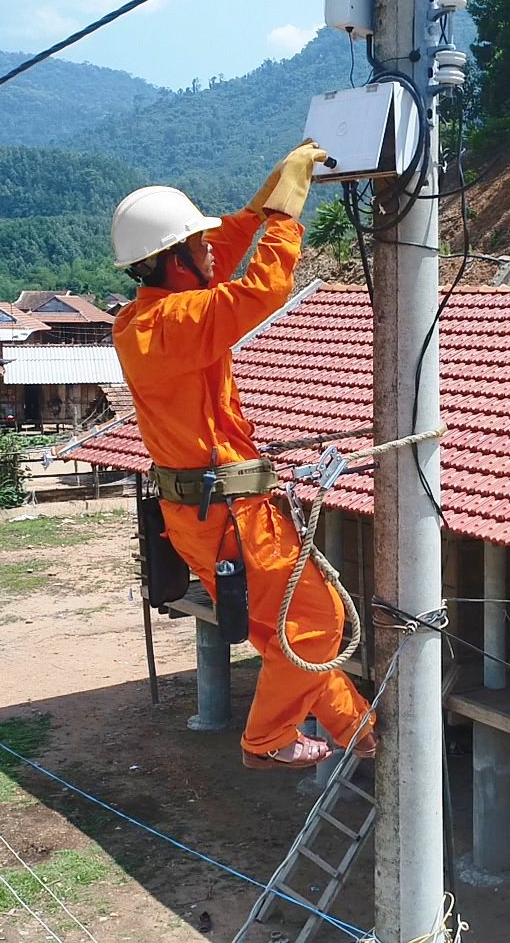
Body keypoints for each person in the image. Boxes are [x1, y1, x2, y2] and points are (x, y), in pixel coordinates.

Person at [110, 142, 374, 771]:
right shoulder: (174, 323)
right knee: (314, 623)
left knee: (283, 632)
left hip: (209, 511)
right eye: (197, 246)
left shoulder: (149, 317)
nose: (212, 252)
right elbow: (263, 288)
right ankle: (267, 739)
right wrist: (284, 219)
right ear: (174, 262)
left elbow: (217, 254)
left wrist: (257, 207)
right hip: (229, 512)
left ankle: (359, 729)